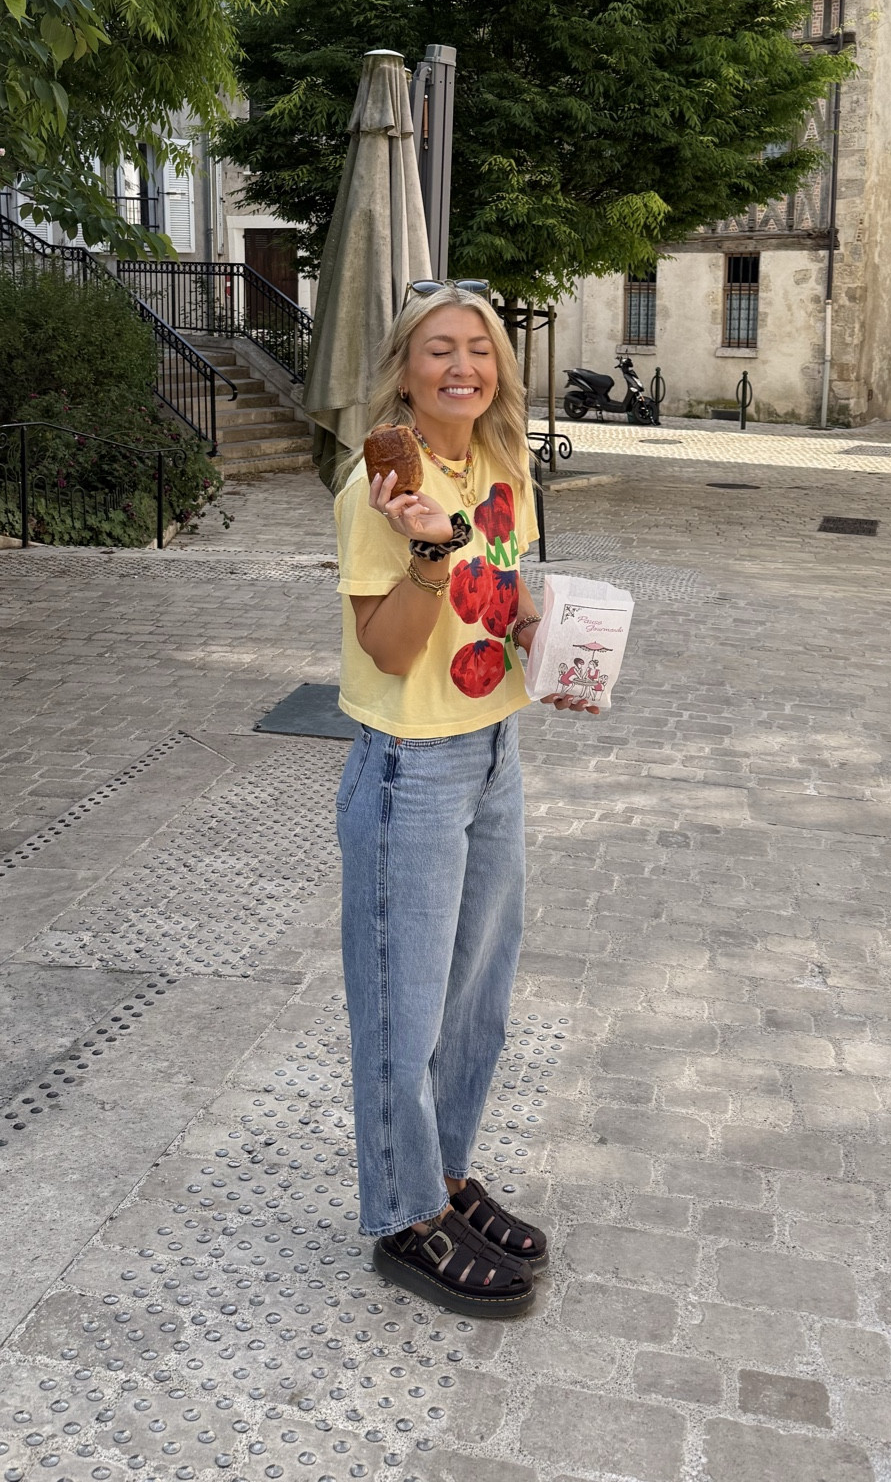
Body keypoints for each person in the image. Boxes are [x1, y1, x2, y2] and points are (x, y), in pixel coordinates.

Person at [332, 281, 594, 1320]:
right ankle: (400, 1217)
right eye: (438, 349)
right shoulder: (378, 486)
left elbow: (507, 595)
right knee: (402, 1004)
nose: (461, 366)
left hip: (492, 749)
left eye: (478, 350)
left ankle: (439, 1176)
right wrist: (431, 551)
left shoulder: (501, 466)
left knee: (475, 997)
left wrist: (554, 636)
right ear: (404, 367)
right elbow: (390, 648)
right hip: (410, 762)